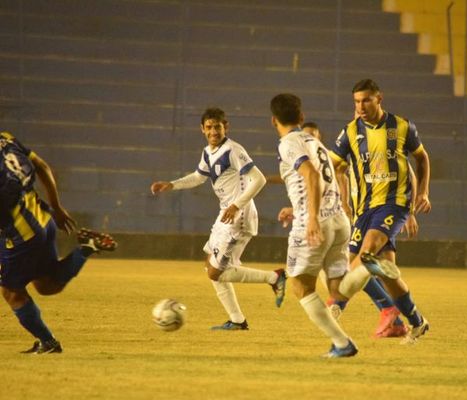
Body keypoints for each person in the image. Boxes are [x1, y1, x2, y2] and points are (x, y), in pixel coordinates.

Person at [270, 93, 399, 358]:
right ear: (301, 117)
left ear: (273, 121)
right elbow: (331, 178)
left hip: (315, 220)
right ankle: (366, 268)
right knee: (337, 288)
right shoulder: (315, 143)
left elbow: (311, 175)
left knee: (300, 286)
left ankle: (342, 343)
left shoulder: (288, 143)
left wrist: (312, 218)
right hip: (339, 219)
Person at [150, 107, 286, 330]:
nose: (214, 131)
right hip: (225, 215)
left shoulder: (233, 150)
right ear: (202, 129)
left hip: (239, 217)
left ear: (226, 127)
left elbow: (259, 180)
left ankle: (274, 277)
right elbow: (198, 177)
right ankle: (237, 321)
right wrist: (171, 185)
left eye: (218, 126)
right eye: (210, 127)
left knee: (217, 271)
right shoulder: (208, 152)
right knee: (210, 267)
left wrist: (236, 205)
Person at [328, 78, 431, 341]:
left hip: (394, 203)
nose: (361, 106)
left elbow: (420, 158)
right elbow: (334, 165)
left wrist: (423, 193)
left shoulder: (402, 126)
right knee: (384, 273)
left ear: (379, 99)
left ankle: (335, 305)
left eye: (366, 100)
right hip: (364, 210)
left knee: (364, 256)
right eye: (357, 102)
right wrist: (340, 193)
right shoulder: (350, 132)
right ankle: (417, 322)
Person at [0, 131, 117, 354]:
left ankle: (49, 343)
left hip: (22, 236)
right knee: (46, 285)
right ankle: (86, 248)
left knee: (11, 292)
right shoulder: (5, 138)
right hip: (44, 220)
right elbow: (42, 166)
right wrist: (56, 207)